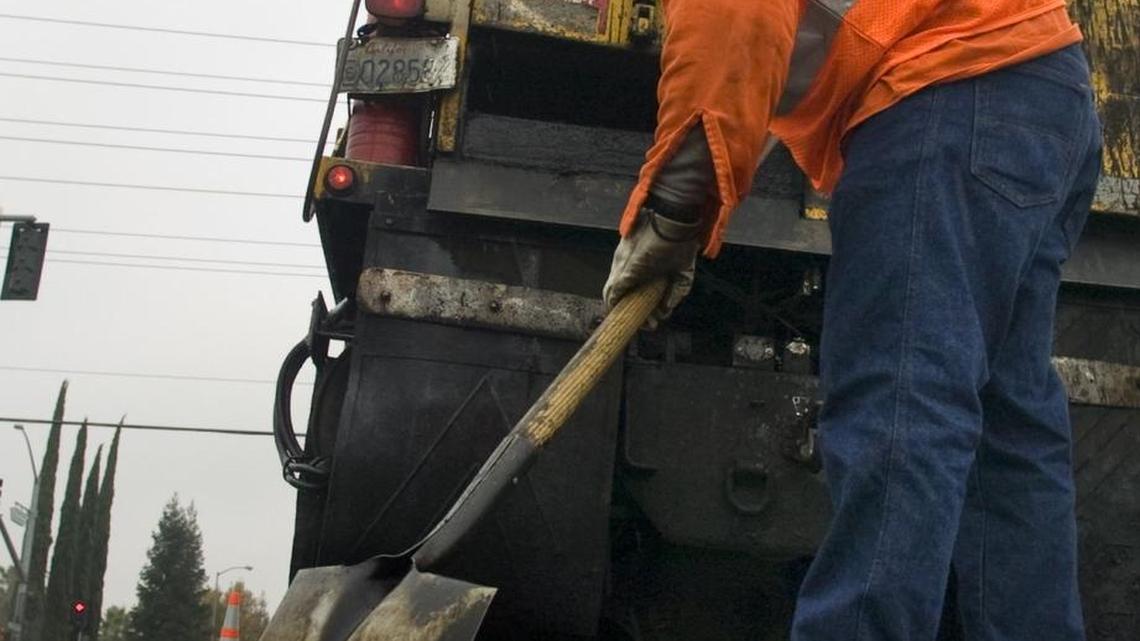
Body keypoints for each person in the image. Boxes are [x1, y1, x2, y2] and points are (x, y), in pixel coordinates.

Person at [602, 2, 1102, 639]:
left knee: (903, 408)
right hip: (1042, 88)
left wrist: (674, 209)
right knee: (1008, 431)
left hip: (947, 88)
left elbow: (733, 16)